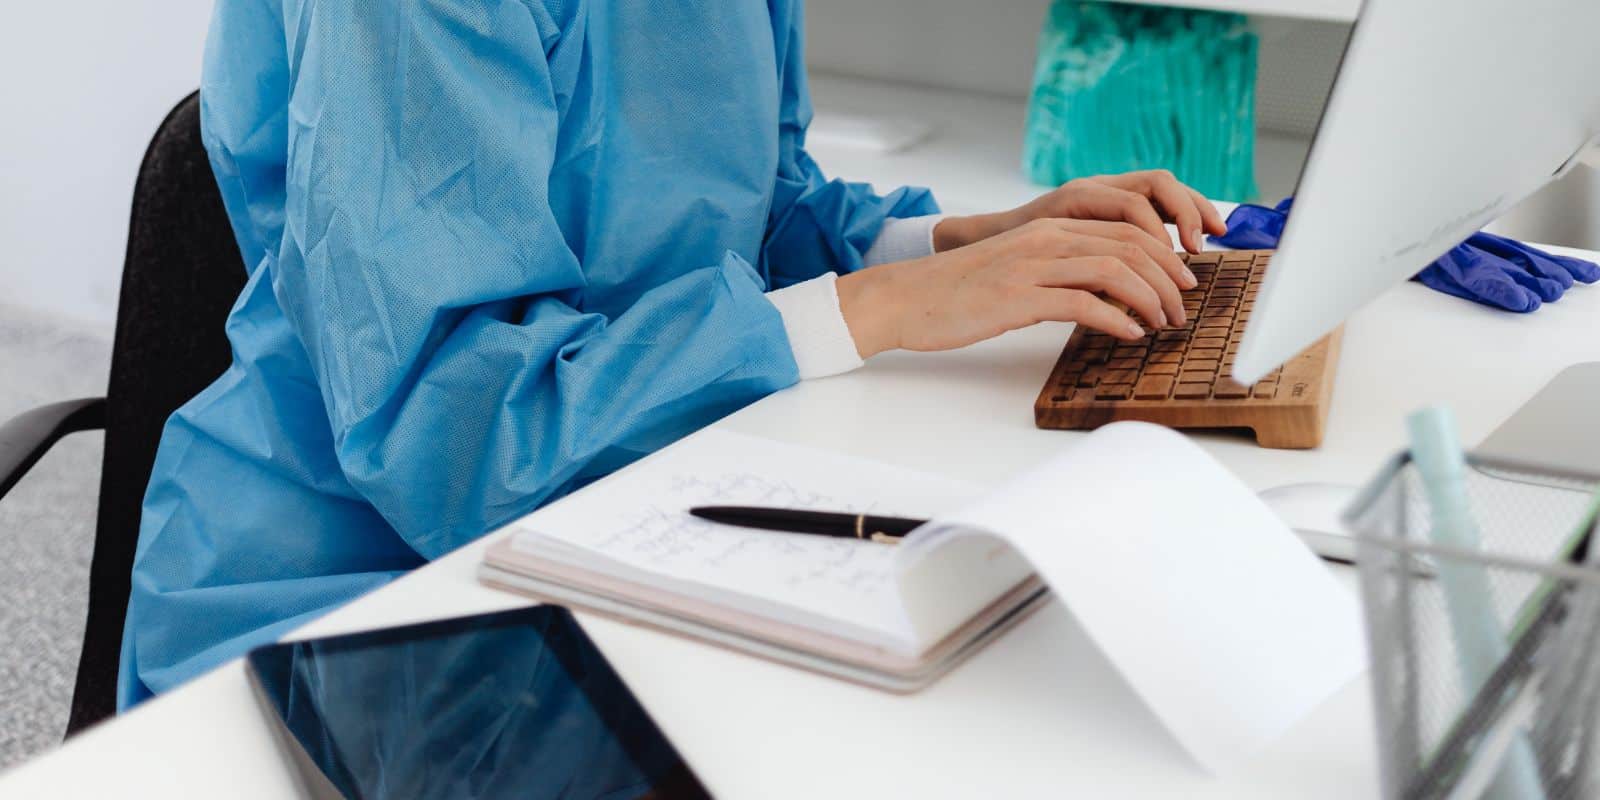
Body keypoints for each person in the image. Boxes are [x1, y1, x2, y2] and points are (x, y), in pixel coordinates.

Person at [118, 0, 1227, 707]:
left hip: (629, 493)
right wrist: (883, 305)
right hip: (355, 580)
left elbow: (750, 206)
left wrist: (958, 245)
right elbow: (455, 435)